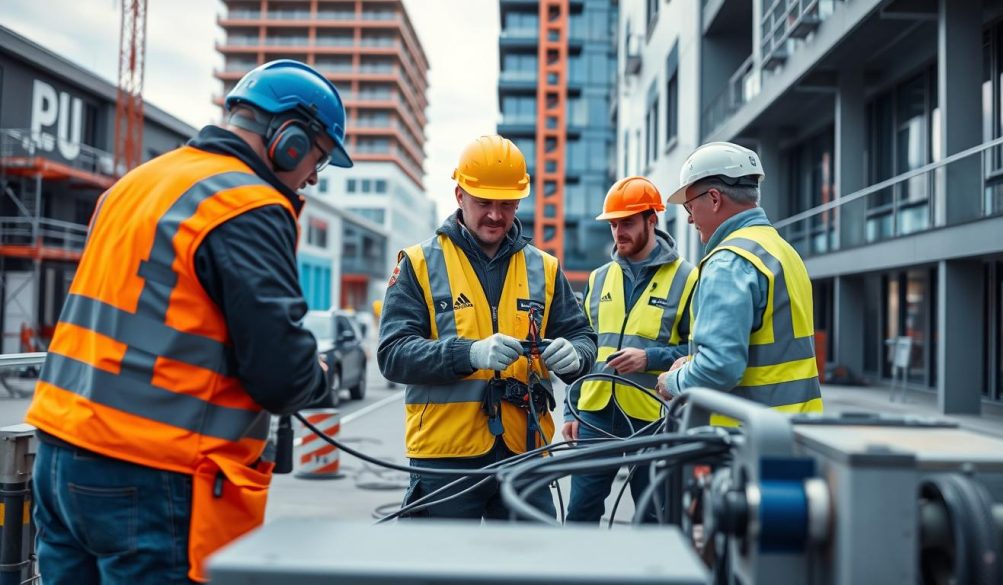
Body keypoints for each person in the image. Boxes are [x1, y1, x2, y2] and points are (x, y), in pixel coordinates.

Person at [25, 59, 349, 584]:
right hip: (151, 475)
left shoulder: (135, 184)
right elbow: (281, 376)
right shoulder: (248, 203)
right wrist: (320, 376)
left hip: (59, 454)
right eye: (319, 158)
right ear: (289, 137)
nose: (313, 176)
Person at [378, 134, 597, 520]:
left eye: (507, 204)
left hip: (525, 454)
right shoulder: (418, 264)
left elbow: (583, 338)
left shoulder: (544, 268)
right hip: (444, 460)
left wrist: (576, 354)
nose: (496, 215)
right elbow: (393, 355)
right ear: (460, 195)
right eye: (484, 203)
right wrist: (469, 353)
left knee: (526, 570)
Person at [657, 142, 823, 423]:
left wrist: (673, 381)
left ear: (713, 198)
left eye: (689, 205)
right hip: (797, 431)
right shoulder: (781, 251)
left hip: (746, 438)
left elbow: (719, 368)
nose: (688, 218)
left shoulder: (728, 262)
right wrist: (694, 362)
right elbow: (767, 349)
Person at [563, 176, 697, 523]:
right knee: (580, 512)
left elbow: (697, 350)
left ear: (652, 220)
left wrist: (649, 358)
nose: (618, 231)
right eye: (614, 224)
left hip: (650, 415)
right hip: (595, 412)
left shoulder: (686, 278)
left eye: (627, 223)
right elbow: (584, 345)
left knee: (654, 516)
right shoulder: (599, 278)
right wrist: (570, 409)